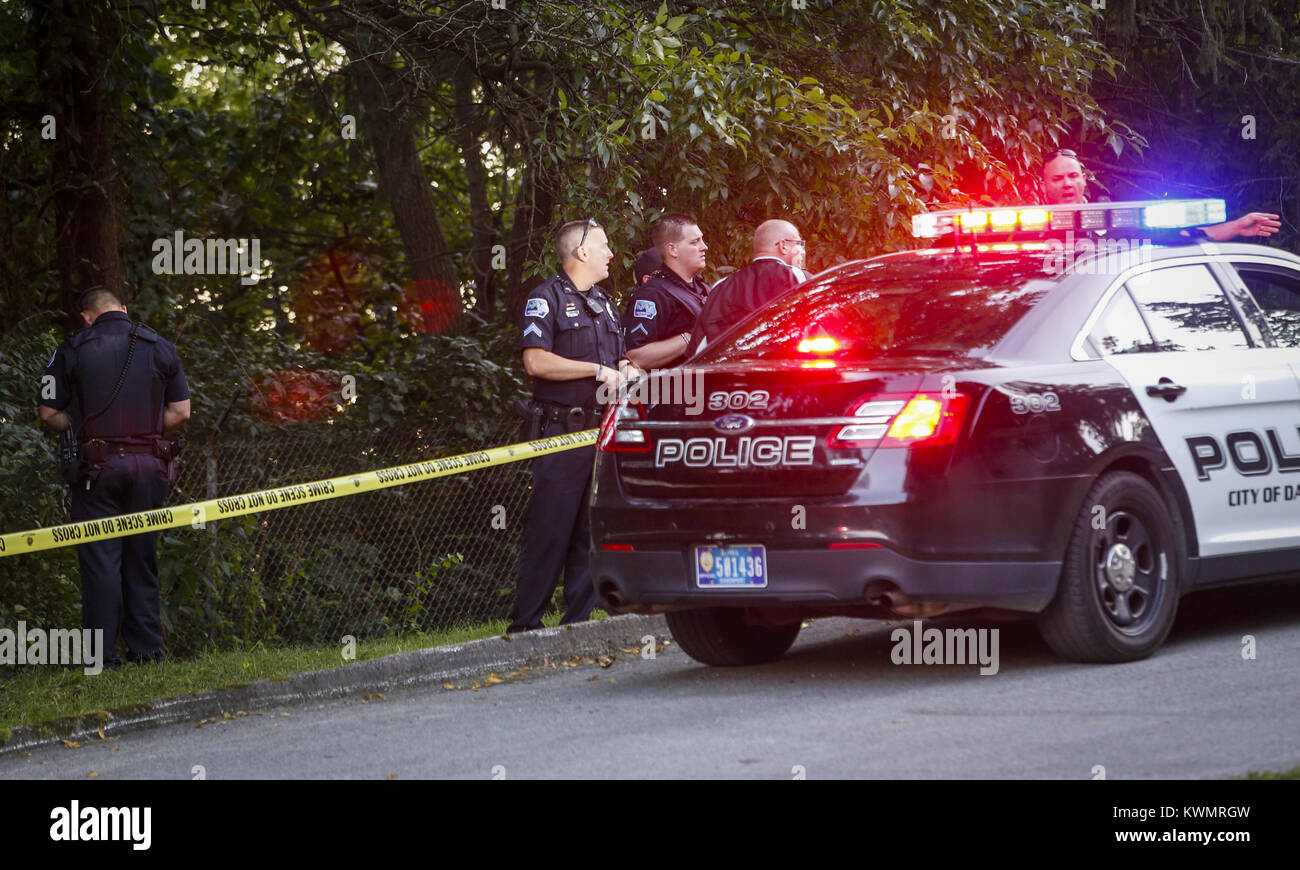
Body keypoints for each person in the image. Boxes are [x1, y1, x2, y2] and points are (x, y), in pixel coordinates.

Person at [37, 287, 191, 668]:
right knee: (142, 557)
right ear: (123, 309)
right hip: (151, 470)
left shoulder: (71, 349)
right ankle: (148, 653)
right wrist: (145, 434)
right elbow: (182, 412)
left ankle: (101, 659)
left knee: (102, 561)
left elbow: (47, 413)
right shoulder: (160, 346)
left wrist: (76, 423)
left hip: (98, 470)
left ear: (87, 316)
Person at [511, 219, 634, 633]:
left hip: (601, 432)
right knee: (551, 528)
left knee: (589, 528)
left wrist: (626, 368)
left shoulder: (604, 303)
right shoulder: (544, 299)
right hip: (562, 434)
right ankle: (526, 625)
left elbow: (617, 359)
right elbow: (536, 361)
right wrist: (598, 371)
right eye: (603, 245)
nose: (610, 253)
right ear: (581, 252)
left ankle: (576, 624)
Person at [1040, 148, 1280, 241]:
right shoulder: (1033, 234)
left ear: (1084, 179)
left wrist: (1237, 226)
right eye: (1057, 179)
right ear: (1044, 187)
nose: (1067, 184)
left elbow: (1183, 238)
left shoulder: (1117, 222)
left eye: (1072, 176)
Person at [690, 219, 807, 354]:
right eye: (798, 244)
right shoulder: (799, 278)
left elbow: (699, 348)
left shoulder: (721, 286)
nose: (802, 251)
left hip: (734, 371)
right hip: (789, 369)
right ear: (783, 246)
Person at [622, 213, 711, 368]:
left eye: (701, 240)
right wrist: (690, 338)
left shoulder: (701, 286)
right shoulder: (653, 294)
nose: (704, 247)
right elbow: (635, 357)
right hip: (677, 390)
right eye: (695, 242)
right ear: (673, 250)